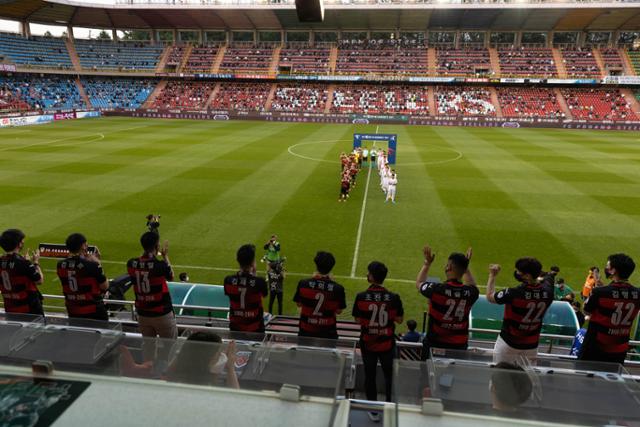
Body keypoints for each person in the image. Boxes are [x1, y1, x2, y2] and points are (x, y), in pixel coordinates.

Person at [352, 261, 404, 422]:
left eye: (368, 272)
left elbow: (357, 320)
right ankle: (389, 406)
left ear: (372, 276)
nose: (367, 275)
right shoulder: (393, 297)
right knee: (389, 376)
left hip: (368, 343)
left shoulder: (361, 297)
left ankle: (373, 409)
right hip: (387, 343)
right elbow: (400, 320)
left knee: (370, 376)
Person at [486, 258, 553, 364]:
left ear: (527, 276)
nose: (516, 273)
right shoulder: (549, 293)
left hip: (508, 343)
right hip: (531, 345)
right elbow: (546, 282)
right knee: (526, 378)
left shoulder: (513, 293)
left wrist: (492, 275)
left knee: (499, 376)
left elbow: (490, 296)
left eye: (519, 272)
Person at [416, 245, 479, 360]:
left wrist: (427, 263)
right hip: (459, 346)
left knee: (427, 375)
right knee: (454, 376)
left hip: (435, 344)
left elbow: (419, 283)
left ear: (448, 267)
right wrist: (466, 266)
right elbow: (473, 286)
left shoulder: (436, 290)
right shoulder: (471, 293)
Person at [579, 253, 640, 365]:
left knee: (586, 378)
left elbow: (586, 310)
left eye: (608, 266)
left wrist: (597, 289)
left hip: (595, 347)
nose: (606, 269)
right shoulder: (638, 293)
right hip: (620, 348)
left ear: (613, 271)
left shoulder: (600, 292)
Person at [127, 232, 177, 361]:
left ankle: (147, 372)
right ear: (157, 245)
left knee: (148, 346)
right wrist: (165, 257)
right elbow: (171, 276)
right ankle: (167, 375)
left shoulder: (131, 263)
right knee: (170, 347)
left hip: (143, 314)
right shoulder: (159, 265)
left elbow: (142, 264)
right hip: (162, 313)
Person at [293, 251, 346, 339]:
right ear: (331, 266)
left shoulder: (303, 284)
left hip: (306, 331)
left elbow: (299, 304)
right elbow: (339, 311)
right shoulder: (338, 288)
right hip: (328, 332)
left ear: (316, 264)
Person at [57, 233, 109, 322]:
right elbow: (105, 286)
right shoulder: (93, 265)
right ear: (83, 246)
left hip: (73, 310)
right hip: (93, 311)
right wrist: (98, 264)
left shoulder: (60, 265)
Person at [224, 244, 268, 333]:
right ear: (252, 263)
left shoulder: (228, 281)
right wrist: (254, 275)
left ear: (237, 260)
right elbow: (264, 294)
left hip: (235, 329)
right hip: (256, 329)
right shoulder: (260, 282)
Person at [0, 229, 44, 316]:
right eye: (22, 241)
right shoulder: (23, 263)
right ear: (18, 244)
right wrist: (35, 263)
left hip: (10, 308)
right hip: (29, 309)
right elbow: (39, 280)